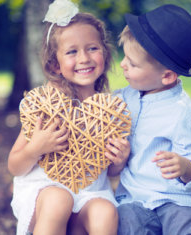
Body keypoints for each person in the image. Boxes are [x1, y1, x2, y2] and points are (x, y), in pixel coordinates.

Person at [8, 0, 129, 234]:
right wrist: (36, 148)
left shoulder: (109, 111)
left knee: (106, 212)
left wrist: (119, 160)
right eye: (72, 52)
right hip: (43, 193)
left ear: (104, 53)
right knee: (59, 199)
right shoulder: (46, 106)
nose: (84, 58)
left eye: (92, 48)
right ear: (55, 65)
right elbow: (14, 165)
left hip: (89, 193)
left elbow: (109, 171)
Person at [105, 4, 191, 235]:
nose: (122, 65)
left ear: (166, 76)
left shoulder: (182, 112)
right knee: (124, 223)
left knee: (189, 226)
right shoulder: (121, 100)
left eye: (132, 63)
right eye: (124, 57)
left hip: (178, 200)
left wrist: (186, 166)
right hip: (135, 198)